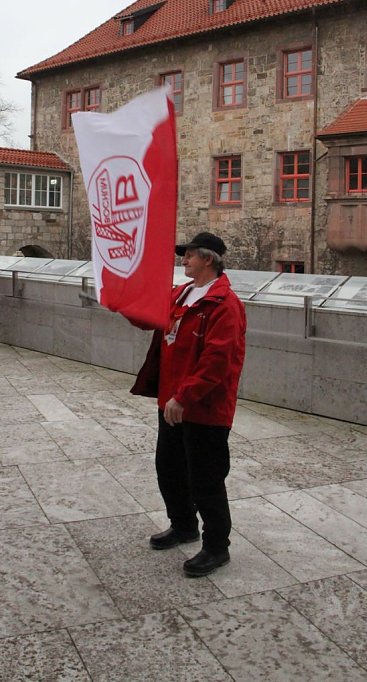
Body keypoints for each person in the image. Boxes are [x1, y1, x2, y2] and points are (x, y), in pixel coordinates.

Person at [131, 231, 246, 577]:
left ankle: (216, 547)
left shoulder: (225, 305)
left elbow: (218, 360)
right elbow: (148, 318)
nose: (184, 260)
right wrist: (121, 303)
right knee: (169, 469)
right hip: (172, 404)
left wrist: (185, 396)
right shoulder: (180, 294)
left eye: (190, 255)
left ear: (208, 259)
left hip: (203, 409)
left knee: (206, 478)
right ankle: (183, 525)